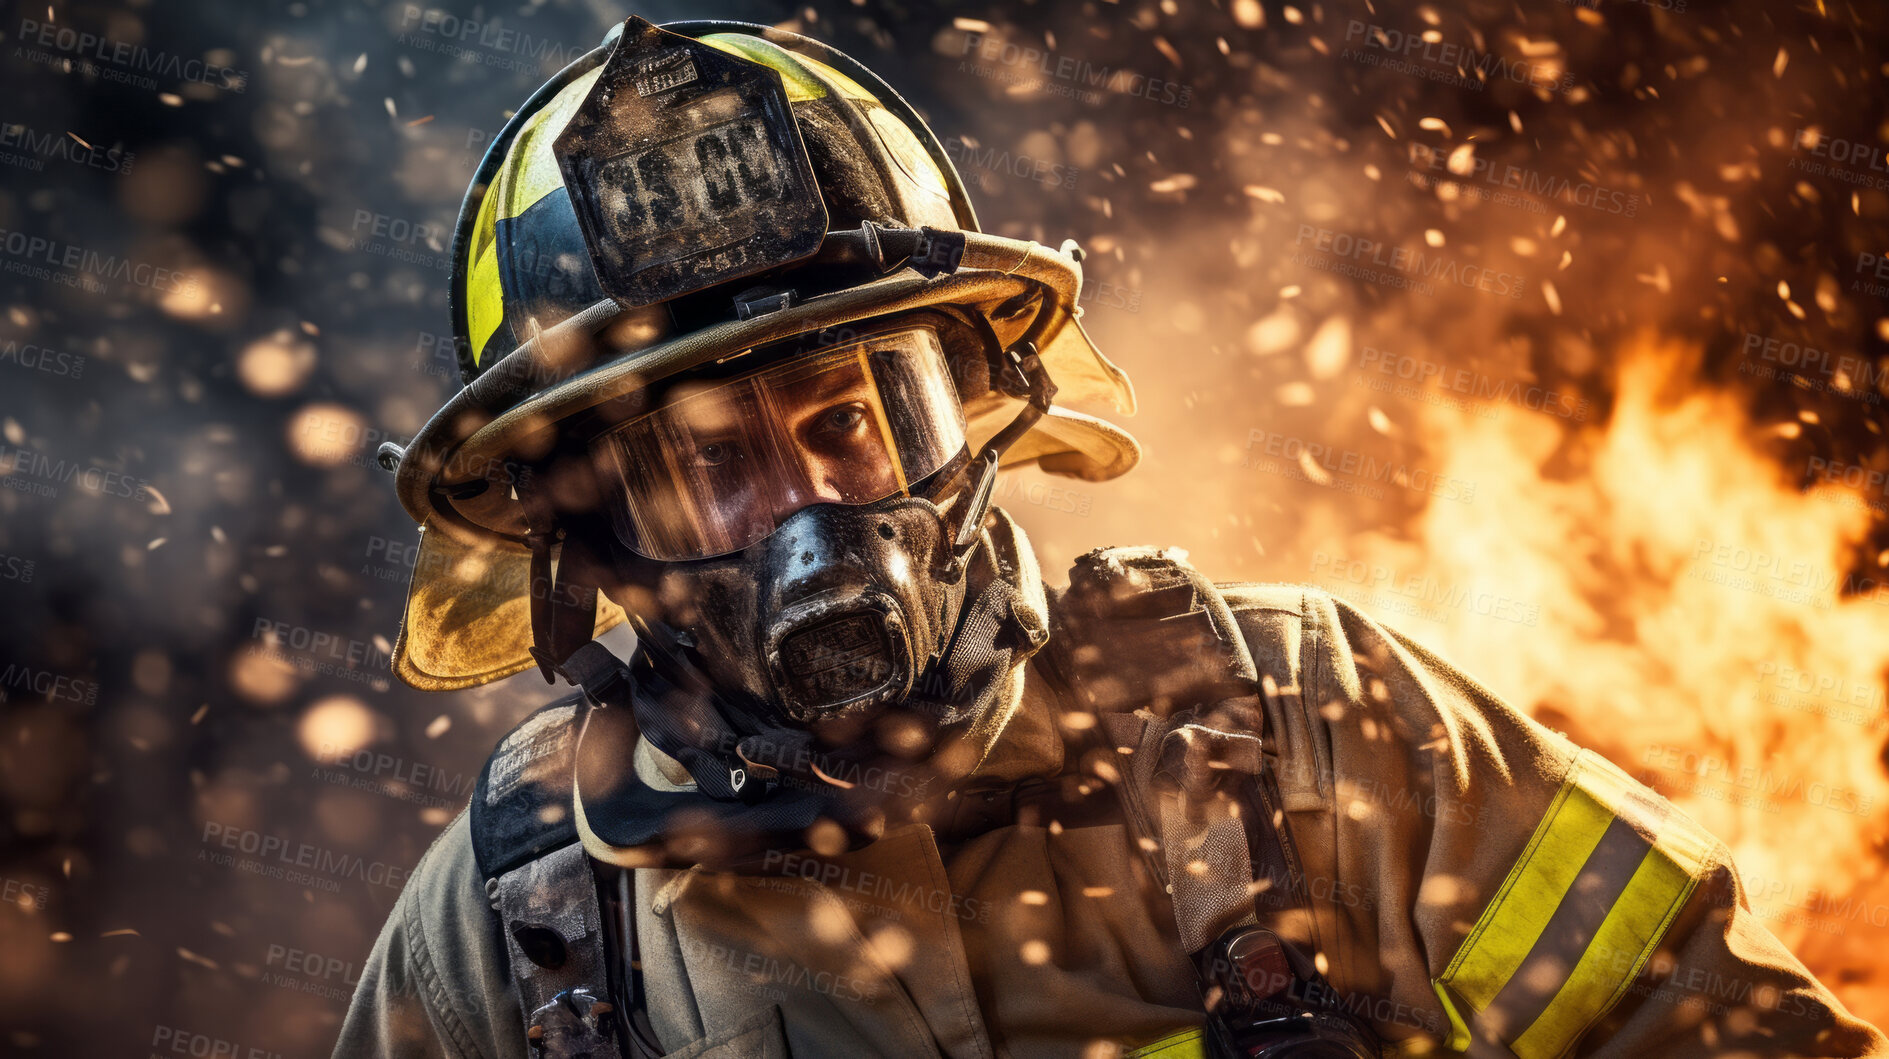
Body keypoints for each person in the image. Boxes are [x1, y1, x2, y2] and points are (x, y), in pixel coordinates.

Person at [335, 16, 1888, 1059]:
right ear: (584, 532)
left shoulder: (1306, 729)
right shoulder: (513, 944)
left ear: (984, 404)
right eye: (704, 466)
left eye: (856, 415)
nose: (807, 519)